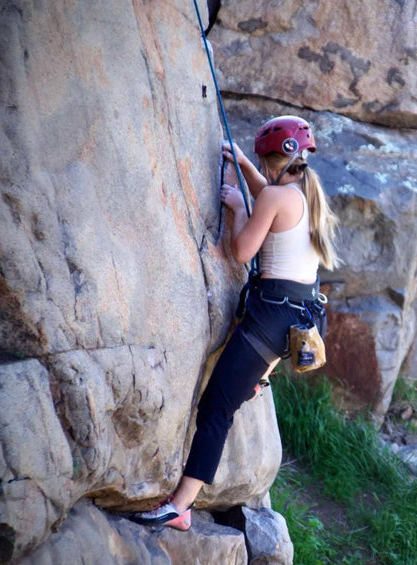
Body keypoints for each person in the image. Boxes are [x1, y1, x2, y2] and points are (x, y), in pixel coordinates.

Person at [130, 116, 339, 530]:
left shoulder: (273, 197)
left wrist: (239, 208)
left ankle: (180, 507)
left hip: (269, 323)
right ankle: (258, 377)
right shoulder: (305, 194)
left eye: (262, 161)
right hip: (297, 318)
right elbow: (273, 207)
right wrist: (243, 165)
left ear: (277, 160)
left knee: (215, 407)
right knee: (226, 397)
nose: (260, 168)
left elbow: (242, 251)